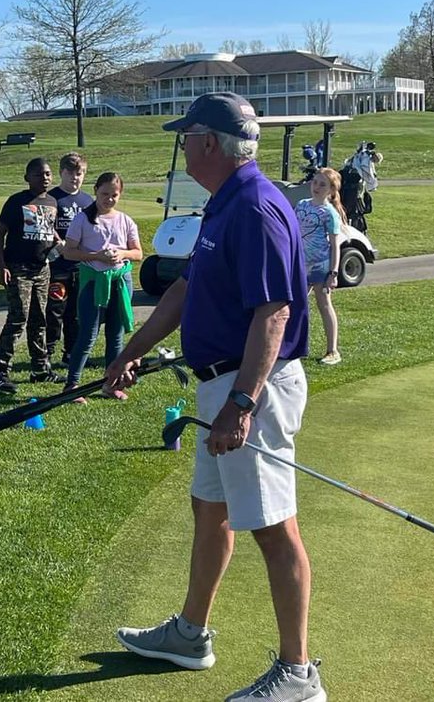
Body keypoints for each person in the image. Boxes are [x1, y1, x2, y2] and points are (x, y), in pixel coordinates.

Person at [106, 93, 325, 702]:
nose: (181, 147)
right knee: (211, 508)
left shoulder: (254, 206)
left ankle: (299, 673)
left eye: (185, 138)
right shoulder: (224, 204)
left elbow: (274, 312)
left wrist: (243, 403)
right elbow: (183, 289)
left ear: (208, 143)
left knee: (275, 528)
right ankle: (191, 634)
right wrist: (132, 349)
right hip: (219, 386)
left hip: (253, 387)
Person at [61, 172, 142, 401]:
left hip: (120, 281)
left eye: (114, 195)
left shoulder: (125, 220)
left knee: (115, 334)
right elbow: (69, 251)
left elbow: (138, 252)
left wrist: (121, 253)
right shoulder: (82, 219)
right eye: (105, 194)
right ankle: (72, 385)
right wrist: (97, 256)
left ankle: (111, 383)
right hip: (93, 281)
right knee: (88, 333)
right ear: (96, 190)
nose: (109, 199)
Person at [0, 158, 64, 395]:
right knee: (18, 318)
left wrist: (55, 240)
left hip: (42, 268)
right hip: (18, 267)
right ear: (27, 178)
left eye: (49, 174)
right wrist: (2, 266)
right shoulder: (16, 201)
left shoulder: (52, 202)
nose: (45, 178)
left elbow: (48, 229)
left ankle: (40, 368)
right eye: (39, 174)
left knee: (39, 318)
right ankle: (0, 372)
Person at [46, 152, 93, 367]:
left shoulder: (87, 201)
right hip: (57, 266)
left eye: (79, 173)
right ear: (61, 173)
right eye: (71, 173)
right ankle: (46, 354)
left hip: (80, 266)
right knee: (55, 310)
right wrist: (59, 243)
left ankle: (70, 353)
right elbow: (46, 226)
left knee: (75, 313)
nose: (75, 178)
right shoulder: (52, 198)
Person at [296, 168, 345, 366]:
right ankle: (295, 346)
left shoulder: (329, 213)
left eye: (322, 184)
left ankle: (332, 350)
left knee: (323, 305)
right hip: (299, 264)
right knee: (296, 305)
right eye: (315, 182)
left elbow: (335, 245)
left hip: (320, 266)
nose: (316, 187)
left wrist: (333, 273)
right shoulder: (301, 205)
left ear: (331, 190)